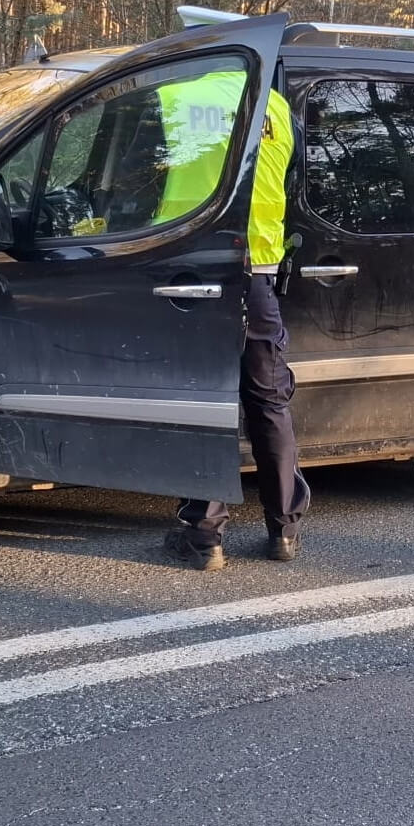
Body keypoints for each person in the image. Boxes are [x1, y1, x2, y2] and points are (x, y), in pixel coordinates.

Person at [164, 85, 311, 570]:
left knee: (208, 397)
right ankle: (283, 530)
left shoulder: (176, 91)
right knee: (269, 401)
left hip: (196, 268)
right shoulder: (275, 106)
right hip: (259, 273)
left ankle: (206, 535)